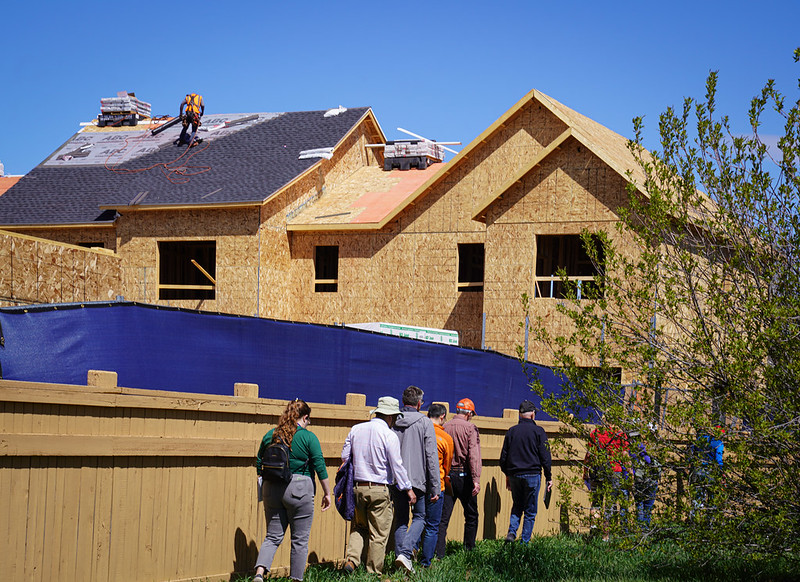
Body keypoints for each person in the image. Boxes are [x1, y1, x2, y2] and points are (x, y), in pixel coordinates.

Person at [253, 399, 332, 582]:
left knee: (272, 537)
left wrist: (264, 485)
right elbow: (319, 466)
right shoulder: (308, 437)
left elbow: (259, 464)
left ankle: (259, 574)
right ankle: (296, 579)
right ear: (304, 417)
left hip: (271, 487)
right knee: (299, 540)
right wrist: (327, 493)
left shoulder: (270, 435)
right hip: (299, 488)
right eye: (308, 419)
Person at [341, 396, 416, 575]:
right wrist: (408, 489)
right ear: (390, 417)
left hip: (357, 488)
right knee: (379, 534)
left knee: (359, 527)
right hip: (380, 489)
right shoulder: (389, 435)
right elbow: (397, 466)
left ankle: (351, 561)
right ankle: (373, 572)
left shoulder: (356, 429)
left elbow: (345, 457)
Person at [390, 386, 440, 573]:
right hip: (417, 480)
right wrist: (435, 487)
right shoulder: (424, 422)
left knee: (401, 520)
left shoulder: (394, 421)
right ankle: (405, 553)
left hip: (396, 480)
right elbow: (431, 458)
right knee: (420, 517)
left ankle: (400, 562)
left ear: (403, 402)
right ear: (419, 404)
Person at [499, 399, 553, 543]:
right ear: (533, 415)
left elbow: (503, 458)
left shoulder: (512, 432)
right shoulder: (538, 432)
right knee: (530, 510)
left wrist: (508, 475)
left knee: (517, 505)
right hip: (532, 474)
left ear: (520, 415)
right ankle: (524, 542)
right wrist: (549, 477)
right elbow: (545, 456)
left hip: (515, 474)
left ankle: (511, 532)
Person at [436, 397, 481, 557]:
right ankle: (469, 551)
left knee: (443, 518)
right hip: (465, 476)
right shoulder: (470, 428)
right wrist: (476, 479)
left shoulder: (444, 426)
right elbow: (474, 456)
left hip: (446, 475)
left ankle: (438, 554)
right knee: (471, 515)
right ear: (468, 413)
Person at [417, 403, 453, 566]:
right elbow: (447, 465)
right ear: (442, 416)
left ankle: (410, 554)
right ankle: (426, 563)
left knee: (418, 520)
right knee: (432, 526)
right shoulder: (445, 438)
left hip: (417, 484)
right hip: (436, 486)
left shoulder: (419, 432)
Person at [583, 424, 629, 539]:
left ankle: (594, 530)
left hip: (597, 470)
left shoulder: (595, 433)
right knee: (610, 503)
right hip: (614, 471)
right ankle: (605, 536)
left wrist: (585, 471)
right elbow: (624, 455)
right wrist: (630, 472)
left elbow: (589, 454)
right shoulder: (620, 434)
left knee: (596, 502)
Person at [629, 428, 660, 526]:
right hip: (650, 479)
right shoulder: (647, 449)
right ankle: (646, 527)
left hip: (638, 479)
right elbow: (649, 461)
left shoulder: (630, 450)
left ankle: (640, 529)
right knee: (648, 506)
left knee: (639, 505)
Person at [689, 425, 724, 514]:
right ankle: (710, 522)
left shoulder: (699, 441)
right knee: (712, 498)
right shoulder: (718, 443)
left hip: (698, 470)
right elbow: (718, 460)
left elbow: (691, 455)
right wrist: (721, 473)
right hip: (711, 472)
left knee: (697, 497)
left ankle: (694, 520)